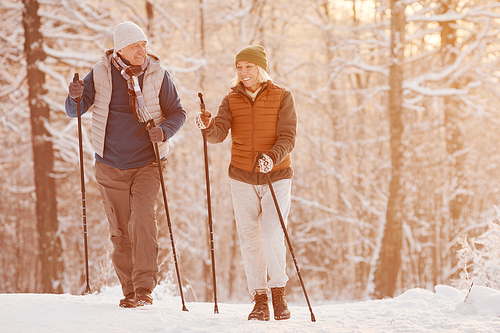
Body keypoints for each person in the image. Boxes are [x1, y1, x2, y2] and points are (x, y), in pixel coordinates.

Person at [65, 21, 186, 308]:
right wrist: (74, 97)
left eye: (144, 44)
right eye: (135, 46)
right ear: (120, 49)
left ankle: (144, 289)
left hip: (148, 163)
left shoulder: (157, 75)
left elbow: (177, 112)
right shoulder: (101, 73)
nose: (142, 50)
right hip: (109, 164)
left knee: (143, 219)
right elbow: (76, 111)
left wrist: (164, 131)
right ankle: (130, 290)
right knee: (119, 230)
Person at [195, 45, 297, 321]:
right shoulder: (231, 99)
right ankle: (260, 298)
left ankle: (278, 292)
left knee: (272, 233)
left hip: (276, 176)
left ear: (260, 68)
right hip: (241, 176)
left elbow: (288, 137)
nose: (243, 72)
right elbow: (218, 134)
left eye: (248, 67)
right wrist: (207, 126)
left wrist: (272, 158)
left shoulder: (282, 96)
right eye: (239, 67)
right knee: (250, 238)